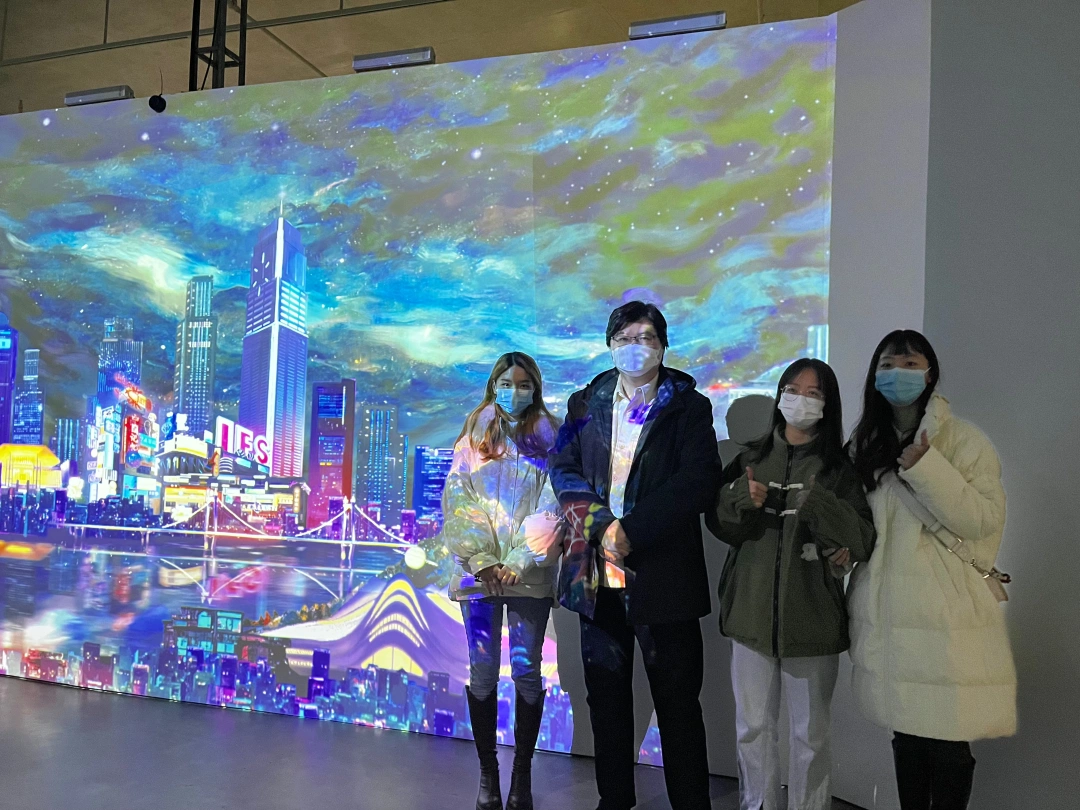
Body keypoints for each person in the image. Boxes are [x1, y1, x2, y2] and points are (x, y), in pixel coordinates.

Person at [549, 301, 722, 810]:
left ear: (662, 346)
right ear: (610, 346)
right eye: (624, 338)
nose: (635, 347)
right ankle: (614, 800)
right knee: (605, 701)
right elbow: (563, 468)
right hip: (595, 576)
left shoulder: (688, 406)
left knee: (677, 704)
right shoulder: (586, 403)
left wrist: (632, 532)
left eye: (645, 337)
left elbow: (697, 480)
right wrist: (602, 528)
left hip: (663, 575)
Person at [847, 330, 1016, 810]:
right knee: (907, 734)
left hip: (945, 612)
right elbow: (859, 523)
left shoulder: (964, 440)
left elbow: (982, 520)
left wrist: (927, 468)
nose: (897, 373)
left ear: (930, 372)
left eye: (910, 363)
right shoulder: (864, 443)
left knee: (948, 738)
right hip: (889, 611)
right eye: (887, 364)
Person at [706, 359, 874, 810]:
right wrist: (740, 497)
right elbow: (720, 526)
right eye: (793, 390)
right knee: (752, 728)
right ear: (780, 395)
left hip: (813, 620)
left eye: (814, 393)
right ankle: (757, 804)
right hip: (749, 615)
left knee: (810, 734)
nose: (801, 400)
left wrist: (821, 505)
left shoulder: (840, 470)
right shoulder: (748, 461)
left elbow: (862, 539)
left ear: (828, 405)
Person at [443, 352, 564, 810]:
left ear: (536, 388)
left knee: (527, 670)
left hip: (528, 577)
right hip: (479, 578)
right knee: (483, 671)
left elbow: (554, 503)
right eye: (506, 383)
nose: (514, 392)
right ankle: (488, 775)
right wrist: (483, 560)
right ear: (494, 386)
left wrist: (518, 560)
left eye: (523, 384)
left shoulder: (552, 440)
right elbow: (458, 499)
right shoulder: (472, 438)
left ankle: (522, 775)